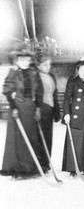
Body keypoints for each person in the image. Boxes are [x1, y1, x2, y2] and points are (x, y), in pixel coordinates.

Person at [0, 44, 43, 179]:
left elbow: (38, 92)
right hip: (18, 108)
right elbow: (7, 91)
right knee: (18, 140)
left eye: (27, 60)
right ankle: (18, 169)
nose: (25, 62)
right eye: (22, 59)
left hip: (30, 108)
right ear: (17, 61)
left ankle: (30, 168)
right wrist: (13, 107)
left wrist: (37, 108)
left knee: (31, 138)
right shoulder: (13, 73)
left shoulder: (34, 73)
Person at [62, 59, 84, 176]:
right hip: (76, 114)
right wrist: (66, 114)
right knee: (77, 140)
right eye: (82, 70)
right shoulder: (73, 81)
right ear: (78, 70)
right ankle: (73, 168)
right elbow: (67, 98)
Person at [36, 52, 61, 172]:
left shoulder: (51, 75)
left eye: (49, 64)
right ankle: (39, 164)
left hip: (50, 109)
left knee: (48, 137)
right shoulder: (35, 75)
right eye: (44, 64)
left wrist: (57, 112)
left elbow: (54, 94)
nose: (47, 66)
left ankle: (46, 163)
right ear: (39, 65)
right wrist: (37, 109)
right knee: (39, 137)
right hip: (40, 109)